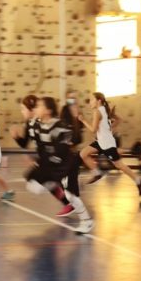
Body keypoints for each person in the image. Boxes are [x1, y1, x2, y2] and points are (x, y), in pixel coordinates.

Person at [23, 96, 94, 233]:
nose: (36, 108)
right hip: (55, 165)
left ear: (48, 110)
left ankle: (87, 222)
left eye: (39, 106)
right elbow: (42, 147)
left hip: (68, 164)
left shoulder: (58, 125)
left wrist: (52, 161)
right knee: (33, 184)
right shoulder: (39, 126)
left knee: (71, 195)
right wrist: (37, 160)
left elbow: (67, 144)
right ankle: (53, 184)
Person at [78, 92, 141, 195]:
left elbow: (93, 129)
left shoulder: (98, 112)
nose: (90, 102)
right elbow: (119, 121)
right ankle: (97, 173)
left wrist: (83, 120)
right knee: (83, 153)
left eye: (92, 100)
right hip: (101, 141)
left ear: (99, 101)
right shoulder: (104, 110)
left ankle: (138, 181)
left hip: (107, 144)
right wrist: (108, 128)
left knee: (119, 165)